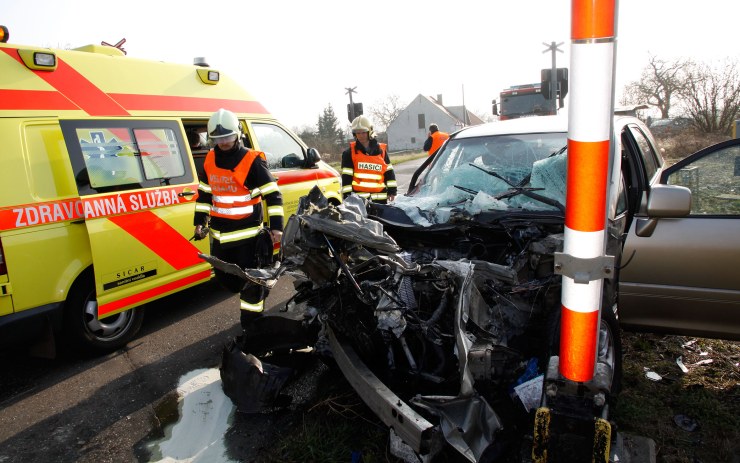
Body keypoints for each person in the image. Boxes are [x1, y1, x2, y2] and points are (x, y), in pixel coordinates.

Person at [193, 108, 283, 338]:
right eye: (218, 138)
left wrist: (276, 228)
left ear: (238, 135)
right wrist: (200, 221)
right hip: (221, 239)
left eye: (228, 137)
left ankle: (253, 328)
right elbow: (204, 194)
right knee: (227, 281)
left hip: (249, 238)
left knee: (252, 287)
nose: (223, 142)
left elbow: (273, 195)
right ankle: (254, 304)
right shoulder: (210, 159)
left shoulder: (252, 160)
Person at [341, 115, 397, 203]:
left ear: (369, 131)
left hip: (380, 199)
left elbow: (389, 172)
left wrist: (392, 191)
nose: (360, 135)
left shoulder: (381, 151)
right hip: (359, 201)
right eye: (357, 133)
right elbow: (346, 178)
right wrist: (347, 197)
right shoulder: (349, 153)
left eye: (363, 132)